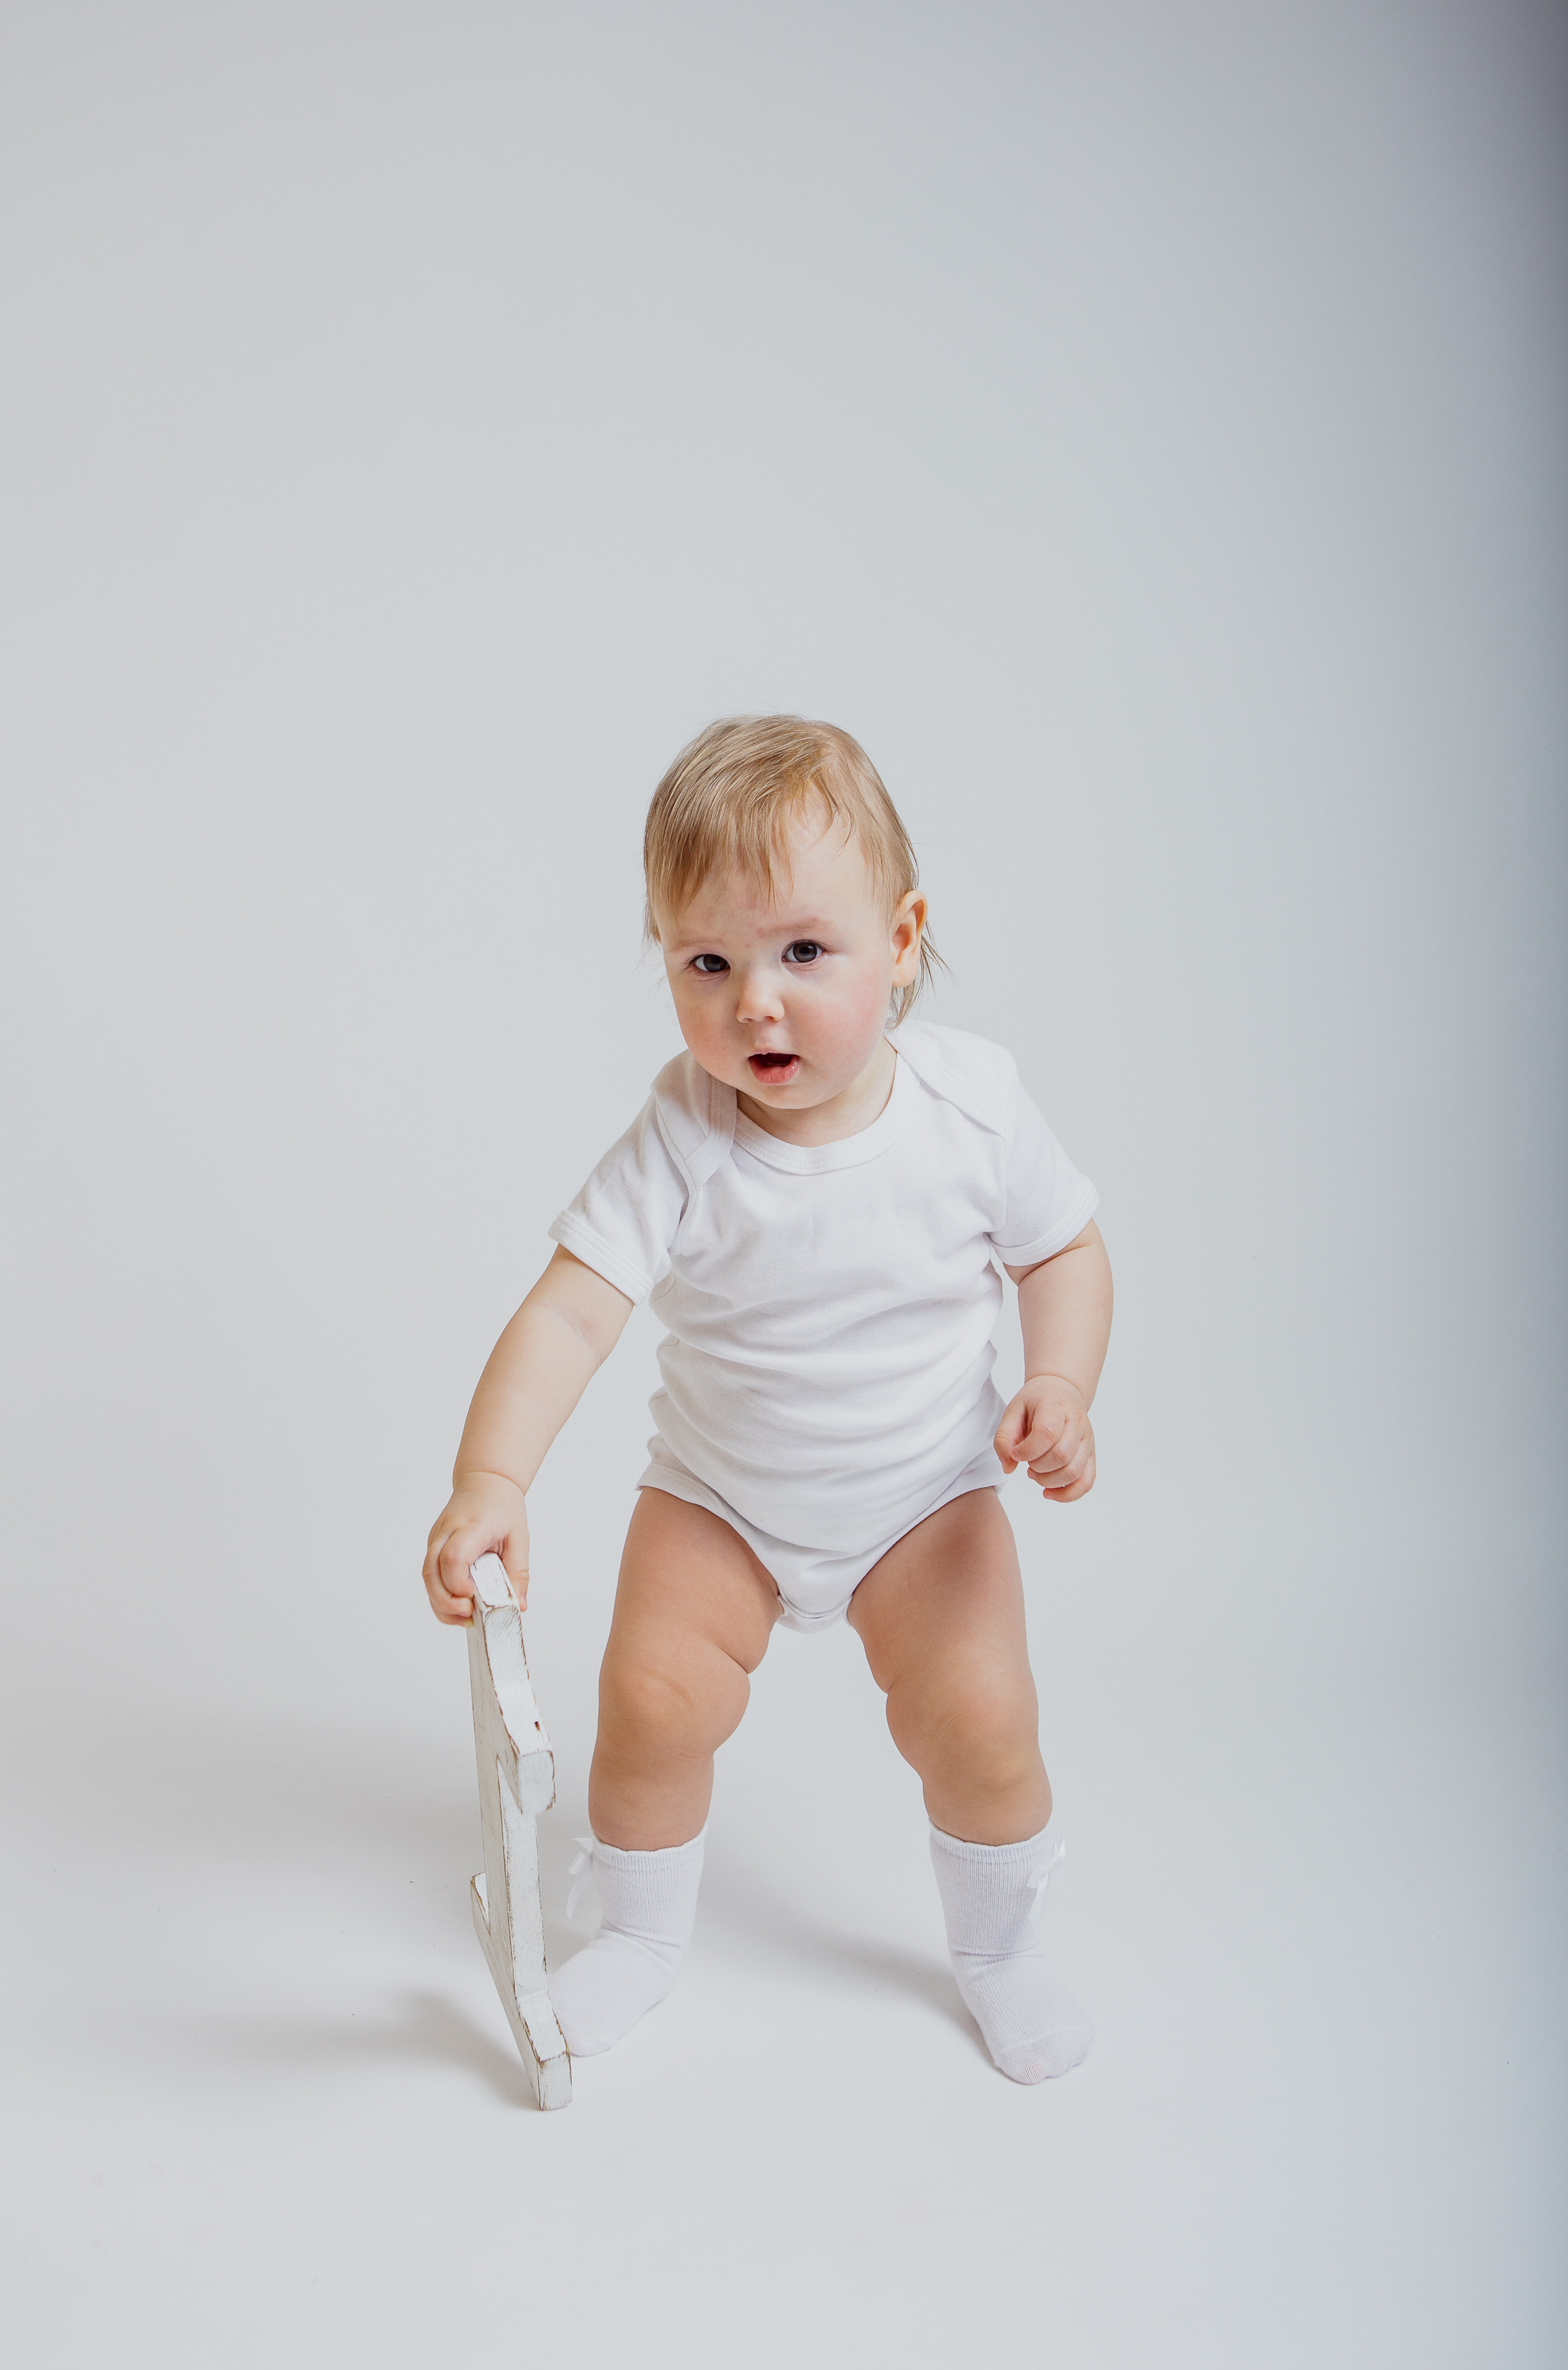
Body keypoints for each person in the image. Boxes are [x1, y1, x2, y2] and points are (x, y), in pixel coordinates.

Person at [422, 716, 1113, 2085]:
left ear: (901, 939)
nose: (756, 1002)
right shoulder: (682, 1133)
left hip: (924, 1500)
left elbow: (1064, 1249)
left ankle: (998, 1945)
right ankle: (636, 1929)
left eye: (804, 952)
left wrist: (1056, 1380)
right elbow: (569, 1310)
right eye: (708, 962)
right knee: (650, 1699)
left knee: (978, 1719)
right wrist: (491, 1482)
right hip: (719, 1501)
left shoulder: (970, 1110)